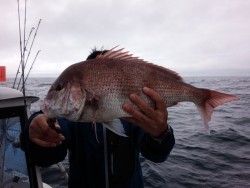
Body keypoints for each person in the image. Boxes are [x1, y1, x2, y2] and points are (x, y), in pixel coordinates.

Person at [24, 49, 175, 188]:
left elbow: (156, 155)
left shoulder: (136, 116)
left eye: (59, 88)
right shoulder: (69, 120)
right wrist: (36, 130)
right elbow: (46, 158)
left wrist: (161, 134)